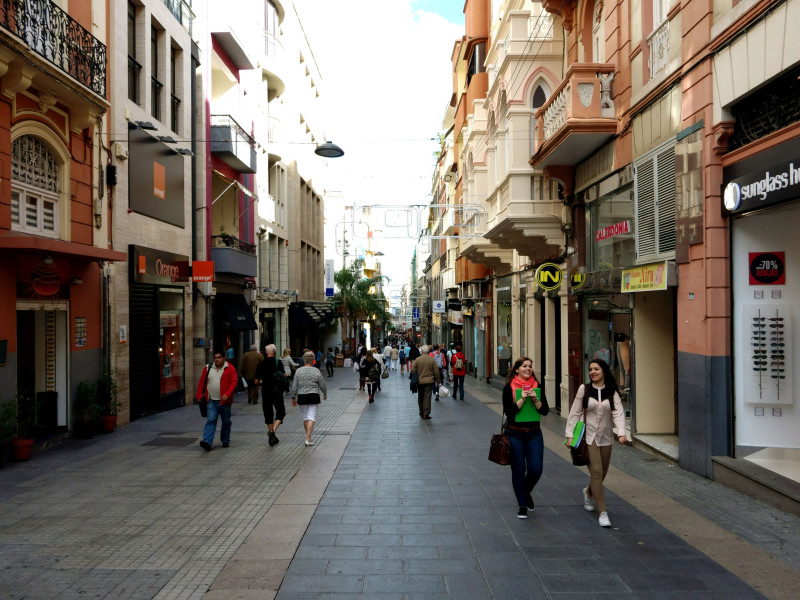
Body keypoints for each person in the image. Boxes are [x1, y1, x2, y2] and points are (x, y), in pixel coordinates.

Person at [565, 358, 627, 528]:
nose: (592, 372)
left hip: (606, 438)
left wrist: (621, 433)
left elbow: (618, 413)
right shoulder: (584, 389)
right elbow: (574, 413)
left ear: (604, 371)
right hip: (588, 437)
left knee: (601, 474)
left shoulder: (611, 391)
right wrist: (569, 435)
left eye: (596, 369)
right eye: (590, 369)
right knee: (597, 473)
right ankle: (603, 512)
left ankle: (588, 492)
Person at [503, 357, 550, 519]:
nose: (528, 368)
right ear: (517, 369)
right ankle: (522, 505)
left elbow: (545, 411)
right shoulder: (509, 388)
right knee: (518, 470)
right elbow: (509, 413)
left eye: (530, 366)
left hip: (534, 433)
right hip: (515, 433)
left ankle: (525, 491)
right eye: (524, 366)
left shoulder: (537, 386)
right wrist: (522, 399)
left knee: (536, 469)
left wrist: (535, 399)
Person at [196, 351, 238, 451]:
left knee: (226, 422)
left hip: (225, 402)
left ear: (224, 358)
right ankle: (207, 442)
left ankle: (225, 440)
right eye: (215, 357)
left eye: (219, 357)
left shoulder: (230, 368)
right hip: (211, 401)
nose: (217, 359)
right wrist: (199, 395)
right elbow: (202, 381)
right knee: (211, 420)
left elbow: (234, 382)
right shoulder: (208, 367)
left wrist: (227, 394)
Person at [290, 352, 327, 446]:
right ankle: (308, 438)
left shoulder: (298, 371)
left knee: (305, 417)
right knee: (312, 416)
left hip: (302, 396)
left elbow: (294, 385)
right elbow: (322, 384)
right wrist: (325, 393)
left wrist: (293, 396)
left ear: (304, 360)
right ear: (313, 361)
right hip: (313, 395)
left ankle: (308, 437)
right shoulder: (316, 371)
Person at [254, 344, 286, 446]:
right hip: (277, 392)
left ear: (265, 353)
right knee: (281, 412)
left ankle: (272, 434)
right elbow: (283, 375)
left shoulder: (261, 364)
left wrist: (262, 383)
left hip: (266, 392)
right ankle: (273, 432)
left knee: (268, 414)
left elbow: (256, 381)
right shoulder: (278, 363)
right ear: (275, 352)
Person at [411, 345, 440, 419]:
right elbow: (436, 371)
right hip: (429, 381)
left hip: (420, 381)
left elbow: (413, 370)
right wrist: (438, 381)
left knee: (420, 397)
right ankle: (426, 413)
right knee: (427, 397)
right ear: (428, 351)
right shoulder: (432, 360)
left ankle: (421, 412)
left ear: (422, 351)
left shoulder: (418, 359)